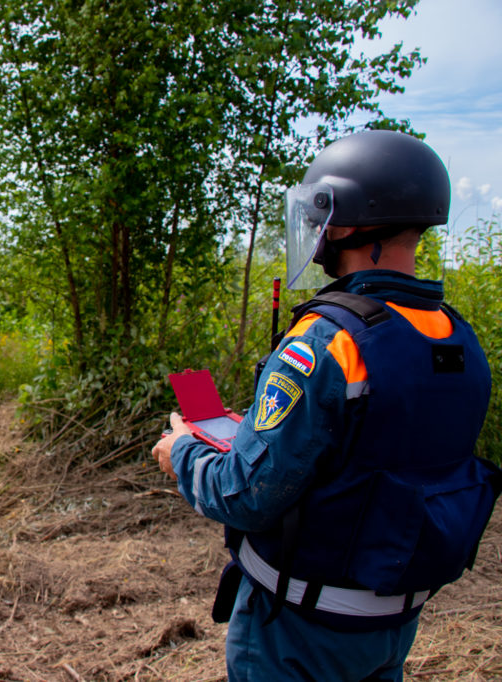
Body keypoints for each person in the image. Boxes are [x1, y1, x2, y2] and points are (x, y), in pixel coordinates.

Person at [152, 129, 500, 681]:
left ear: (347, 220)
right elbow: (374, 449)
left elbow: (244, 495)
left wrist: (186, 452)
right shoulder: (457, 337)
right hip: (392, 620)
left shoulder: (326, 340)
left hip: (299, 631)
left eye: (323, 212)